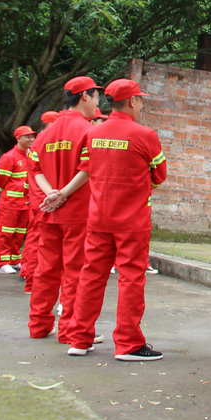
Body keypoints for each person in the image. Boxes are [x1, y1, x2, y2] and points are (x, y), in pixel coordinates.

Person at [67, 79, 167, 360]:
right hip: (132, 221)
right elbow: (159, 174)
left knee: (91, 276)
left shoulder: (93, 133)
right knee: (131, 278)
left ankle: (79, 339)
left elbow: (87, 167)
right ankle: (128, 344)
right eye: (141, 100)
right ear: (133, 101)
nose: (142, 104)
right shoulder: (145, 135)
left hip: (98, 217)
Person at [28, 78, 101, 341]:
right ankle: (69, 329)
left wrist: (51, 194)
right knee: (75, 272)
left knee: (45, 270)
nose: (97, 103)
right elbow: (86, 168)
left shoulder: (46, 133)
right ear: (85, 97)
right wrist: (63, 194)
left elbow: (34, 169)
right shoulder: (88, 131)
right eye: (96, 97)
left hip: (49, 212)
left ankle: (38, 325)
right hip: (77, 213)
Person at [19, 111, 61, 292]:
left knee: (36, 238)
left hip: (39, 197)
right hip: (41, 198)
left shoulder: (42, 142)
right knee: (37, 239)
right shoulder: (45, 141)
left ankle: (30, 275)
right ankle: (30, 277)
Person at [0, 126, 36, 273]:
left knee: (19, 233)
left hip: (25, 203)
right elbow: (0, 179)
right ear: (18, 139)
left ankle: (14, 259)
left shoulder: (30, 156)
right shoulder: (9, 157)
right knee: (5, 232)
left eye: (32, 136)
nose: (31, 139)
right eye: (27, 137)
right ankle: (2, 262)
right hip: (10, 203)